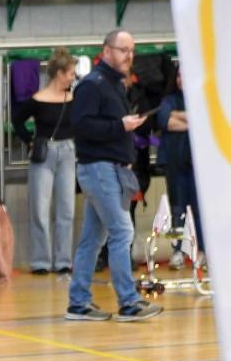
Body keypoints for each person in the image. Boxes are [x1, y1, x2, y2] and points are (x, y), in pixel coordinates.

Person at [66, 29, 163, 322]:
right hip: (98, 168)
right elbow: (81, 127)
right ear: (106, 51)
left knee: (94, 238)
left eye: (132, 50)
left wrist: (126, 131)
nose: (129, 56)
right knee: (122, 231)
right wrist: (120, 127)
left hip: (111, 168)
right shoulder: (91, 86)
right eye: (123, 50)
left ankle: (79, 302)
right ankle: (129, 302)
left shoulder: (113, 85)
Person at [12, 48, 76, 275]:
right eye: (70, 73)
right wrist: (29, 141)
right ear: (59, 73)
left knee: (66, 208)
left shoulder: (73, 98)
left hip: (68, 150)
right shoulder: (37, 100)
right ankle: (41, 261)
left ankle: (63, 260)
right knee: (39, 208)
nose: (72, 77)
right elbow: (17, 120)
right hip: (44, 152)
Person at [156, 65, 203, 268]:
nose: (181, 79)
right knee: (177, 208)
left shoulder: (202, 98)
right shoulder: (168, 100)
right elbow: (166, 121)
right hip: (174, 163)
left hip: (196, 164)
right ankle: (177, 251)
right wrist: (192, 120)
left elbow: (204, 120)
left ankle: (201, 250)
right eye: (178, 75)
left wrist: (180, 117)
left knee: (199, 207)